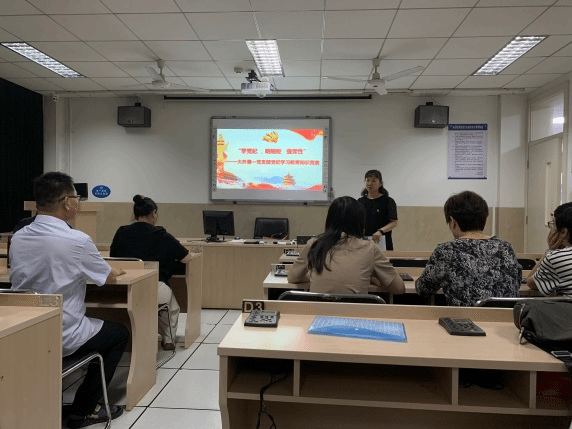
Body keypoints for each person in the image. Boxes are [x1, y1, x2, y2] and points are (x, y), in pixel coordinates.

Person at [9, 171, 128, 428]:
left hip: (26, 331)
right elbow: (107, 276)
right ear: (66, 203)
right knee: (119, 334)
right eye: (76, 198)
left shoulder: (18, 237)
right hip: (62, 332)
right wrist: (116, 271)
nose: (77, 203)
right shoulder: (77, 240)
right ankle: (83, 410)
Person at [110, 194, 194, 350]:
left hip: (122, 288)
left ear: (136, 214)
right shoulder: (161, 235)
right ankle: (168, 340)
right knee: (172, 307)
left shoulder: (121, 232)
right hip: (152, 288)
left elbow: (113, 257)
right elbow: (187, 258)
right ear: (154, 213)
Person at [415, 190, 521, 306]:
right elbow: (516, 282)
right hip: (507, 316)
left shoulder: (447, 250)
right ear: (484, 219)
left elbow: (423, 289)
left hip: (465, 317)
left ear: (453, 222)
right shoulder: (506, 248)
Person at [288, 196, 405, 295]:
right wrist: (373, 278)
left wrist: (313, 276)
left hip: (318, 314)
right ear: (359, 222)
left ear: (330, 220)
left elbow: (293, 277)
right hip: (355, 314)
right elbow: (399, 288)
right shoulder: (369, 248)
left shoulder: (314, 244)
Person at [527, 202, 572, 296]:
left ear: (563, 232)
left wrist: (550, 251)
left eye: (553, 224)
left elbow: (531, 282)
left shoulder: (557, 258)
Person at [357, 170, 398, 250]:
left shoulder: (388, 201)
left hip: (382, 241)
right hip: (365, 241)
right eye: (367, 180)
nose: (370, 183)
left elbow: (394, 222)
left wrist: (380, 231)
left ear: (380, 183)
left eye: (373, 181)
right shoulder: (360, 202)